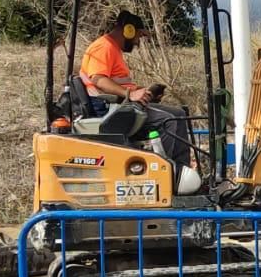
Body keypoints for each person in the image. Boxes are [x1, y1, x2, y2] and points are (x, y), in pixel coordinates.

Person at [79, 10, 193, 175]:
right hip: (110, 110)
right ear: (128, 30)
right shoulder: (104, 47)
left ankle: (182, 173)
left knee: (180, 114)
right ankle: (166, 174)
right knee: (170, 120)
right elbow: (98, 80)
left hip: (120, 104)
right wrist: (130, 94)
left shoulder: (112, 48)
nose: (138, 42)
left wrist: (142, 92)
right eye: (138, 36)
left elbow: (117, 81)